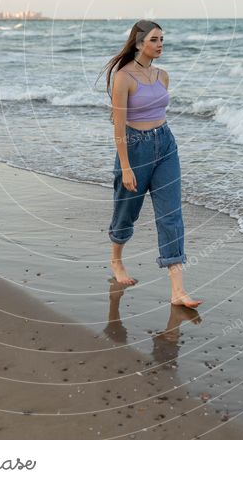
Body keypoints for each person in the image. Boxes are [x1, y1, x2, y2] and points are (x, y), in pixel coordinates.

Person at [99, 19, 202, 308]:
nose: (160, 45)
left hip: (166, 144)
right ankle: (116, 261)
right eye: (154, 40)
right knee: (125, 213)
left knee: (171, 216)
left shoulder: (162, 76)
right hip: (135, 148)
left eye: (162, 40)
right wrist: (127, 166)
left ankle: (178, 291)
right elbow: (118, 127)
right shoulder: (124, 77)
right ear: (138, 43)